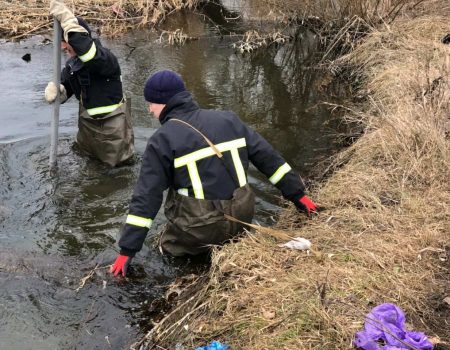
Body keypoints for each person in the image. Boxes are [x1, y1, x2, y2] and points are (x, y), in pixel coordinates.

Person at [110, 70, 318, 276]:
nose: (149, 110)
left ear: (164, 102)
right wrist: (298, 195)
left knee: (166, 255)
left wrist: (127, 250)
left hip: (199, 230)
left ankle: (190, 273)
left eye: (150, 103)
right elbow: (269, 159)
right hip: (242, 217)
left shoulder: (161, 139)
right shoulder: (229, 120)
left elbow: (147, 197)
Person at [44, 0, 134, 167]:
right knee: (88, 167)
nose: (64, 49)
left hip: (113, 132)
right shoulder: (72, 65)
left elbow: (86, 51)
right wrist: (59, 91)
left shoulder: (104, 59)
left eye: (66, 45)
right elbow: (67, 86)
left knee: (115, 175)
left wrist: (68, 20)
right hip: (87, 131)